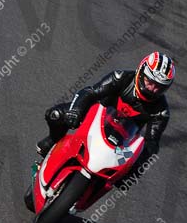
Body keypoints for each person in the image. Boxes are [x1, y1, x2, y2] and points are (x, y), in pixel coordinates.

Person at [36, 52, 175, 182]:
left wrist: (135, 171)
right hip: (96, 117)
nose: (152, 89)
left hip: (123, 142)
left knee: (125, 175)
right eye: (150, 82)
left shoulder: (161, 112)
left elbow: (151, 144)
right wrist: (75, 111)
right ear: (141, 72)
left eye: (159, 87)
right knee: (55, 115)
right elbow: (91, 92)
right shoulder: (120, 77)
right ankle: (53, 140)